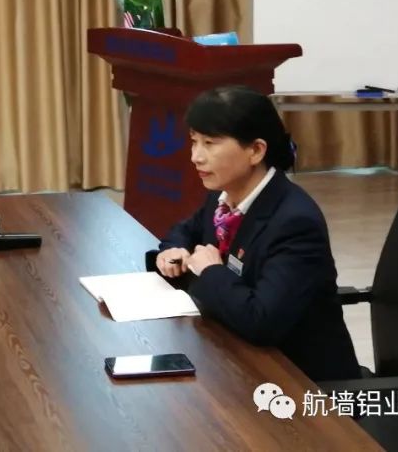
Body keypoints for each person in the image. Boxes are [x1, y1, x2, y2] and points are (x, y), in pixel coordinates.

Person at [154, 85, 360, 382]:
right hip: (237, 359)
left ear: (256, 150)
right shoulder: (223, 196)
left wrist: (211, 271)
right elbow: (186, 229)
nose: (195, 157)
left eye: (209, 143)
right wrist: (173, 249)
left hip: (304, 383)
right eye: (194, 141)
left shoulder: (295, 223)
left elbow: (262, 321)